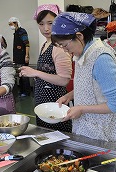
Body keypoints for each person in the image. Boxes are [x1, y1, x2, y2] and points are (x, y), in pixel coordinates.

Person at [51, 12, 116, 172]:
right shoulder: (82, 53)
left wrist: (82, 109)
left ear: (79, 36)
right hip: (86, 127)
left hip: (101, 131)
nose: (64, 50)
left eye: (64, 45)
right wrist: (69, 95)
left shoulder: (101, 59)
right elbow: (87, 84)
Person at [19, 4, 72, 132]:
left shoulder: (59, 46)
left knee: (57, 140)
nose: (46, 28)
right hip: (43, 102)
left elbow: (64, 80)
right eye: (41, 24)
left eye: (50, 23)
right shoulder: (46, 44)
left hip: (55, 103)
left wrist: (35, 73)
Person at [8, 17, 31, 97]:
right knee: (20, 75)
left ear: (16, 23)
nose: (10, 26)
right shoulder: (16, 32)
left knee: (24, 75)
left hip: (23, 57)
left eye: (11, 24)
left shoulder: (22, 32)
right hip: (17, 58)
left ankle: (27, 92)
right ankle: (21, 91)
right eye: (9, 24)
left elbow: (27, 44)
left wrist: (26, 56)